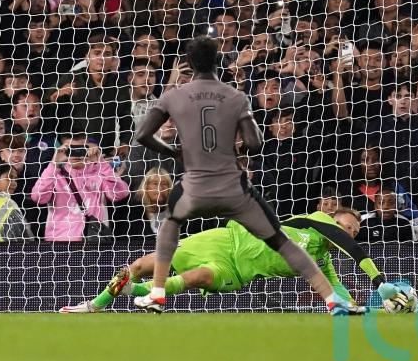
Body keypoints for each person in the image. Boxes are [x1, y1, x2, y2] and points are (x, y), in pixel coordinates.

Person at [134, 36, 365, 315]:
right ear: (217, 61)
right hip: (231, 185)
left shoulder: (173, 96)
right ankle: (333, 301)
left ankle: (158, 291)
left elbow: (143, 135)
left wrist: (176, 154)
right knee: (281, 241)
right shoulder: (235, 96)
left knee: (170, 227)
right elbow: (255, 143)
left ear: (190, 63)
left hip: (194, 183)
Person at [60, 209, 409, 314]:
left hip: (236, 270)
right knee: (140, 265)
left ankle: (152, 297)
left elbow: (338, 295)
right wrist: (380, 281)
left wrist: (377, 308)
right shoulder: (314, 220)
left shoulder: (320, 262)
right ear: (332, 218)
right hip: (224, 239)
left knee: (197, 276)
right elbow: (345, 243)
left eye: (353, 230)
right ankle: (96, 304)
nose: (347, 232)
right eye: (346, 226)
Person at [30, 132, 129, 242]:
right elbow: (37, 197)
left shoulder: (100, 173)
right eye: (70, 149)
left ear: (88, 149)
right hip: (59, 243)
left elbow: (120, 194)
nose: (76, 154)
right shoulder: (54, 174)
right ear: (62, 149)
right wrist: (54, 164)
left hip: (94, 242)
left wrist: (102, 163)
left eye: (81, 148)